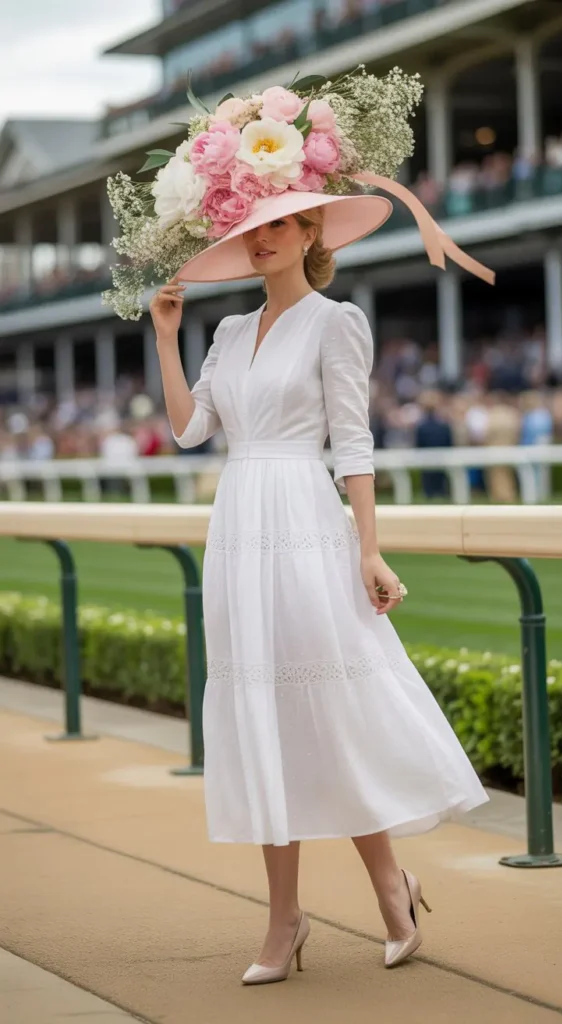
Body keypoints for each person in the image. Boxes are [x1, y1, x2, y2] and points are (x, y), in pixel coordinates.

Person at [108, 68, 494, 987]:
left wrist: (368, 546)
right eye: (248, 229)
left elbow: (353, 443)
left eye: (276, 223)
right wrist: (165, 335)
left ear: (311, 228)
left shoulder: (337, 322)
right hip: (239, 526)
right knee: (261, 712)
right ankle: (282, 923)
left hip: (308, 525)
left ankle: (390, 885)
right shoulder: (229, 334)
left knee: (330, 706)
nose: (259, 240)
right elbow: (190, 430)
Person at [414, 390, 453, 498]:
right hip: (442, 458)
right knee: (440, 482)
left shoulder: (422, 426)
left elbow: (418, 444)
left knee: (429, 484)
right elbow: (449, 442)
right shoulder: (444, 425)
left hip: (426, 459)